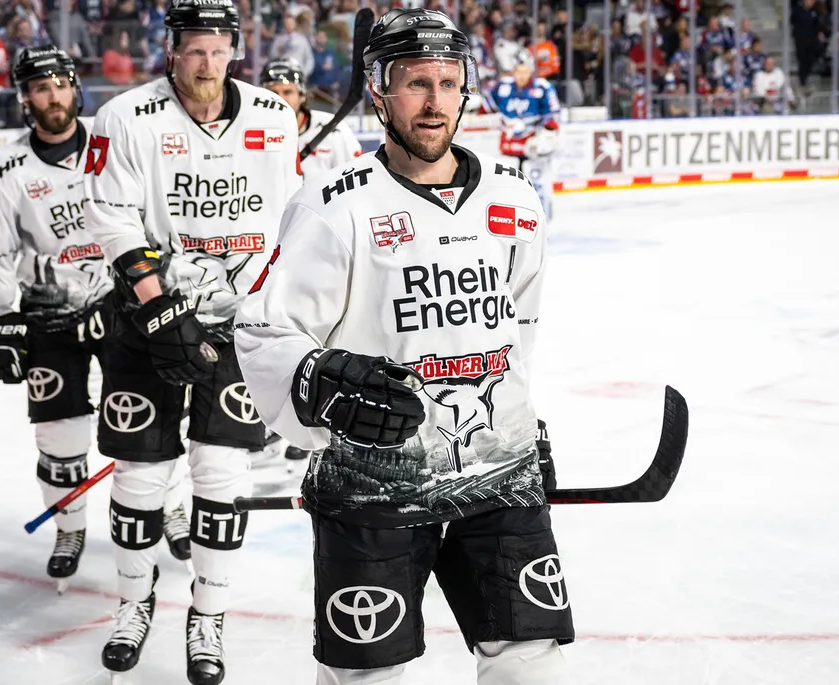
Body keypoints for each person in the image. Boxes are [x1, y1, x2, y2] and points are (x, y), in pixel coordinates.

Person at [234, 8, 573, 685]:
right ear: (379, 90)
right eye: (416, 83)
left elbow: (520, 329)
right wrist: (318, 377)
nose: (435, 101)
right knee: (369, 674)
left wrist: (520, 421)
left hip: (494, 471)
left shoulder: (513, 199)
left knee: (531, 665)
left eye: (449, 82)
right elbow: (264, 325)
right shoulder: (334, 205)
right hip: (373, 484)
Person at [81, 0, 301, 682]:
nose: (205, 63)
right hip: (147, 321)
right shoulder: (125, 117)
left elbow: (291, 216)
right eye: (193, 49)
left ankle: (208, 618)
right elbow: (110, 217)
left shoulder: (270, 117)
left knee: (222, 476)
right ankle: (134, 601)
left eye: (217, 49)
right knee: (141, 475)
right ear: (170, 50)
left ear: (234, 50)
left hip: (236, 323)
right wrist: (161, 313)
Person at [0, 47, 115, 594]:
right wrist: (0, 320)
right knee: (59, 433)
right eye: (39, 88)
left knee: (149, 419)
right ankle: (69, 528)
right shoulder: (3, 169)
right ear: (25, 98)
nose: (53, 96)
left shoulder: (112, 141)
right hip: (49, 316)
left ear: (75, 87)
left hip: (121, 304)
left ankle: (166, 510)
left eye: (59, 84)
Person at [486, 51, 560, 219]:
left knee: (539, 188)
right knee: (506, 192)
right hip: (509, 150)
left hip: (532, 150)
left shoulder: (543, 87)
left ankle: (542, 223)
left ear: (531, 70)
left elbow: (553, 116)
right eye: (518, 71)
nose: (521, 75)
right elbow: (487, 105)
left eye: (525, 71)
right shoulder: (503, 86)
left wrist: (545, 137)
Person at [260, 59, 362, 180]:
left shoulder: (334, 129)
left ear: (302, 95)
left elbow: (358, 179)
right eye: (273, 92)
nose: (280, 99)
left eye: (287, 92)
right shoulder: (249, 130)